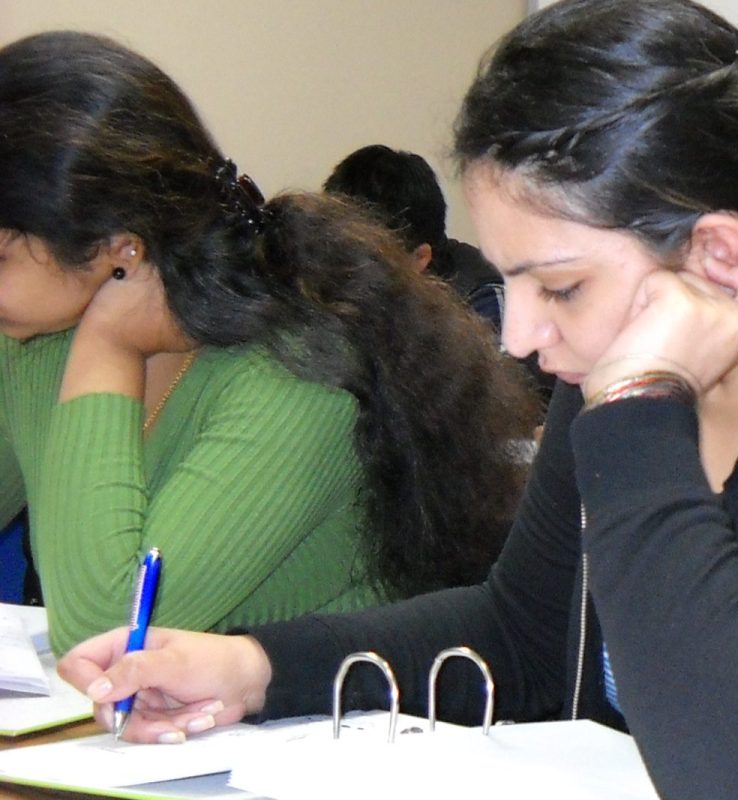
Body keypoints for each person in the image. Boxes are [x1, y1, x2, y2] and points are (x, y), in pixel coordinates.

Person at [59, 2, 738, 799]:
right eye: (511, 283)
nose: (520, 336)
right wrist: (256, 667)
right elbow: (524, 636)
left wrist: (636, 415)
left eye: (560, 286)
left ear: (718, 254)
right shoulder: (619, 386)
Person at [0, 32, 538, 652]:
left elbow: (110, 632)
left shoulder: (298, 370)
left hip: (337, 706)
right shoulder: (36, 340)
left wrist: (108, 347)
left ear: (121, 248)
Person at [324, 144, 555, 401]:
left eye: (365, 260)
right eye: (337, 251)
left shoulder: (483, 300)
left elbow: (500, 409)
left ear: (420, 258)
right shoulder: (331, 283)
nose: (346, 272)